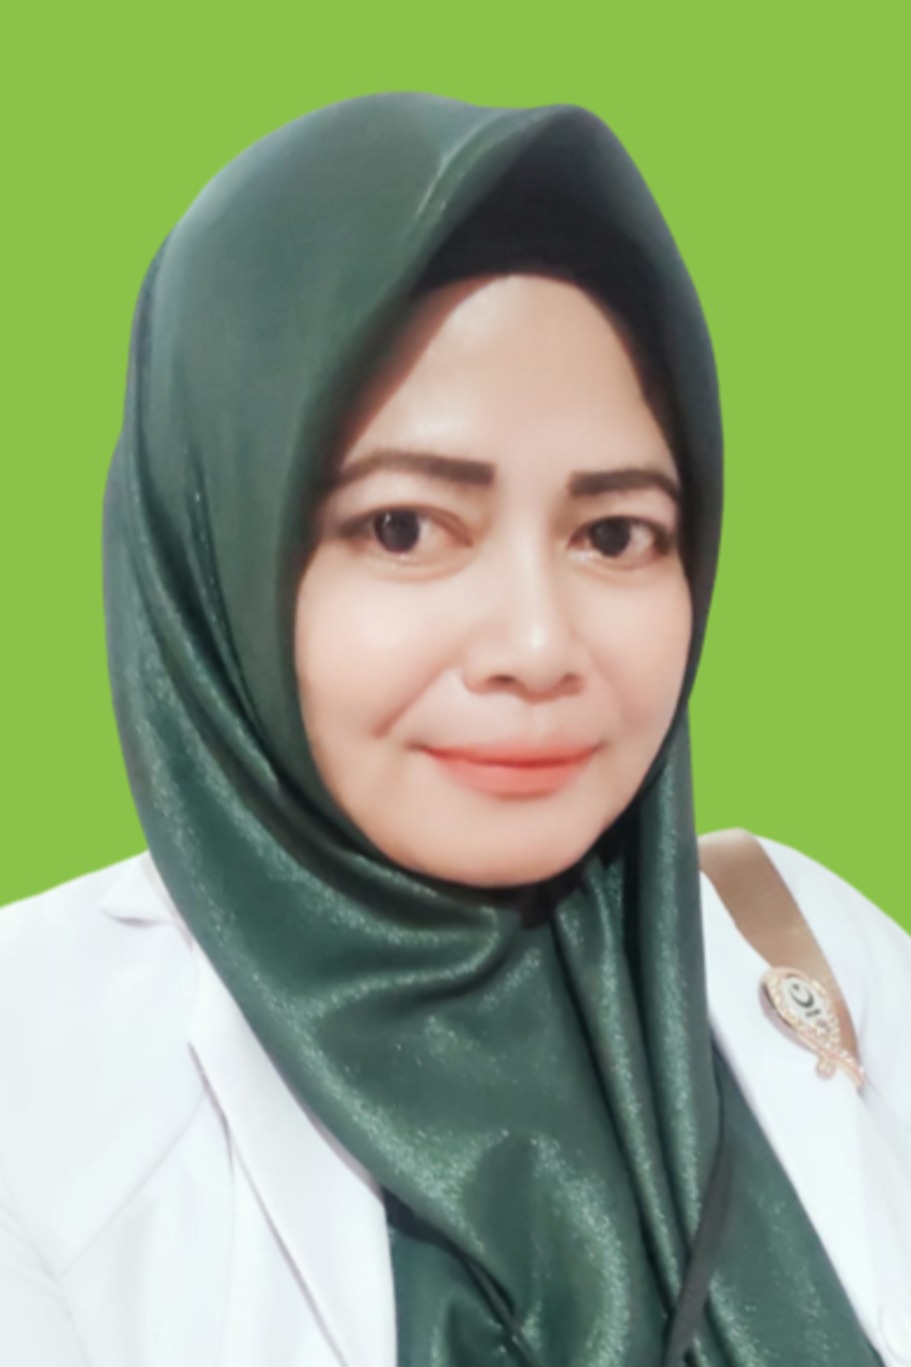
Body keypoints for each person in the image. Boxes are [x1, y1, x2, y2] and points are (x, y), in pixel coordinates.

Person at [1, 92, 909, 1367]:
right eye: (403, 528)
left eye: (613, 534)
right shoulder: (32, 1063)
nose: (536, 646)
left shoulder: (806, 947)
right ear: (214, 541)